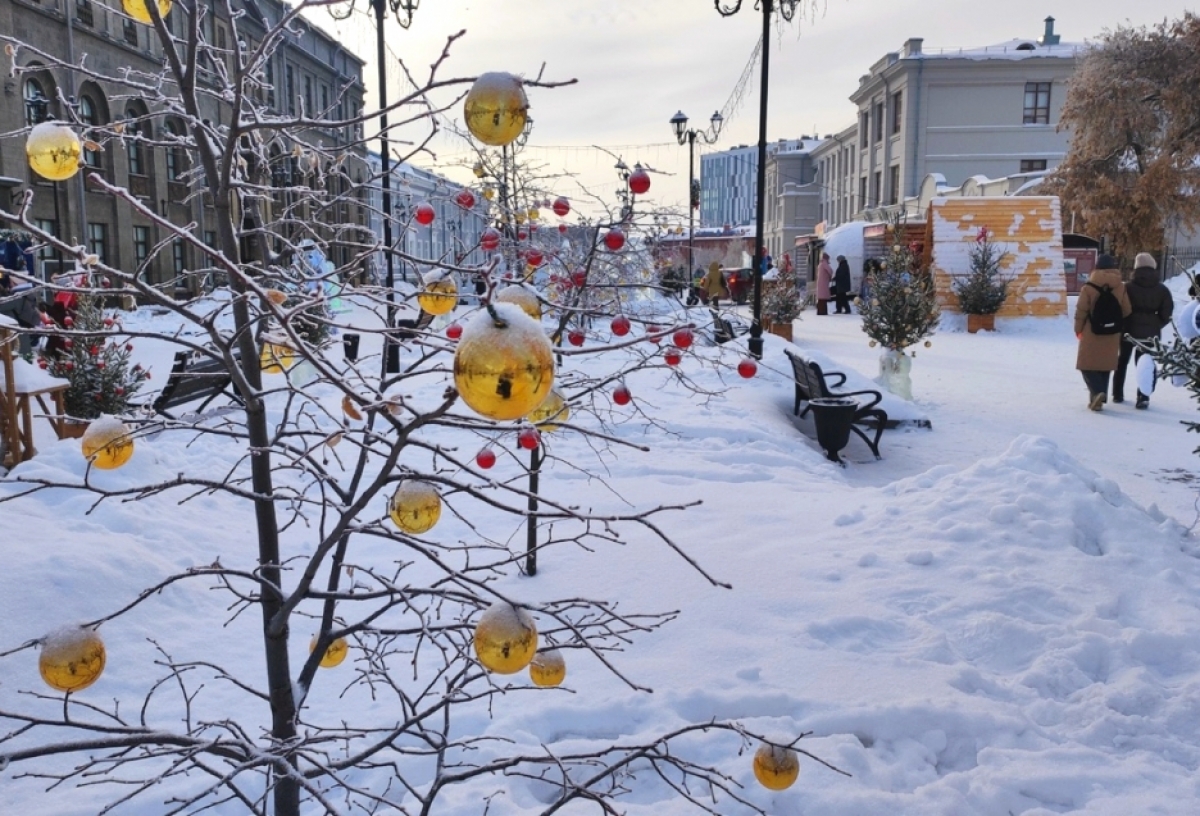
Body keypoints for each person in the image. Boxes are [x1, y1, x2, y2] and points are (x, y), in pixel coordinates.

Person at [1114, 252, 1173, 408]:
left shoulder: (1127, 287)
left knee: (1122, 362)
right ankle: (1143, 396)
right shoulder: (1162, 289)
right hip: (1150, 333)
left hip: (1128, 329)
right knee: (1146, 364)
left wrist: (1124, 323)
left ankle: (1117, 393)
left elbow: (1120, 307)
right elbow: (1167, 313)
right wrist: (1156, 324)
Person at [1075, 253, 1132, 411]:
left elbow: (1081, 311)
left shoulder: (1088, 287)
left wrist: (1078, 329)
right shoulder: (1120, 286)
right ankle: (1099, 396)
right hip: (1112, 331)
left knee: (1086, 365)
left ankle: (1097, 393)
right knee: (1105, 364)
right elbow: (1127, 310)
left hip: (1091, 330)